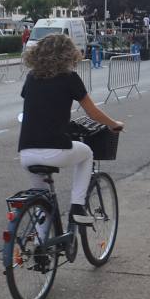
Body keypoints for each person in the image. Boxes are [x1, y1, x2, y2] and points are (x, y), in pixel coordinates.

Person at [19, 34, 123, 224]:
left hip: (26, 152)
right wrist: (113, 124)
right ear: (68, 54)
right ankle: (77, 207)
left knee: (42, 200)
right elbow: (93, 113)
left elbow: (37, 106)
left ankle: (42, 247)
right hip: (54, 150)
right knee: (87, 153)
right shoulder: (69, 78)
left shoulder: (31, 77)